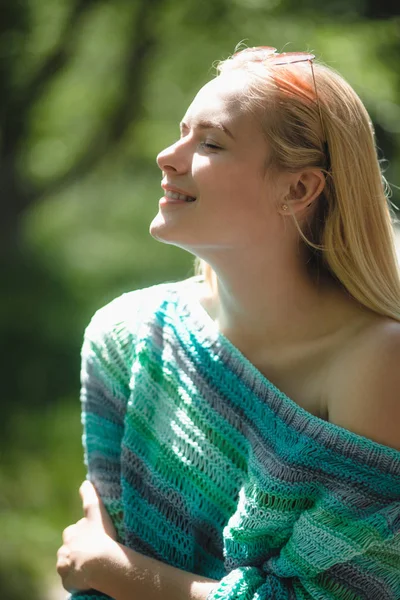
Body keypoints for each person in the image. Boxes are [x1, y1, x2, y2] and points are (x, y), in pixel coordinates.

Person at [56, 45, 400, 600]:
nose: (169, 156)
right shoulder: (126, 336)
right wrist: (107, 573)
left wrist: (117, 572)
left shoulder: (377, 364)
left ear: (299, 189)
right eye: (182, 132)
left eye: (210, 143)